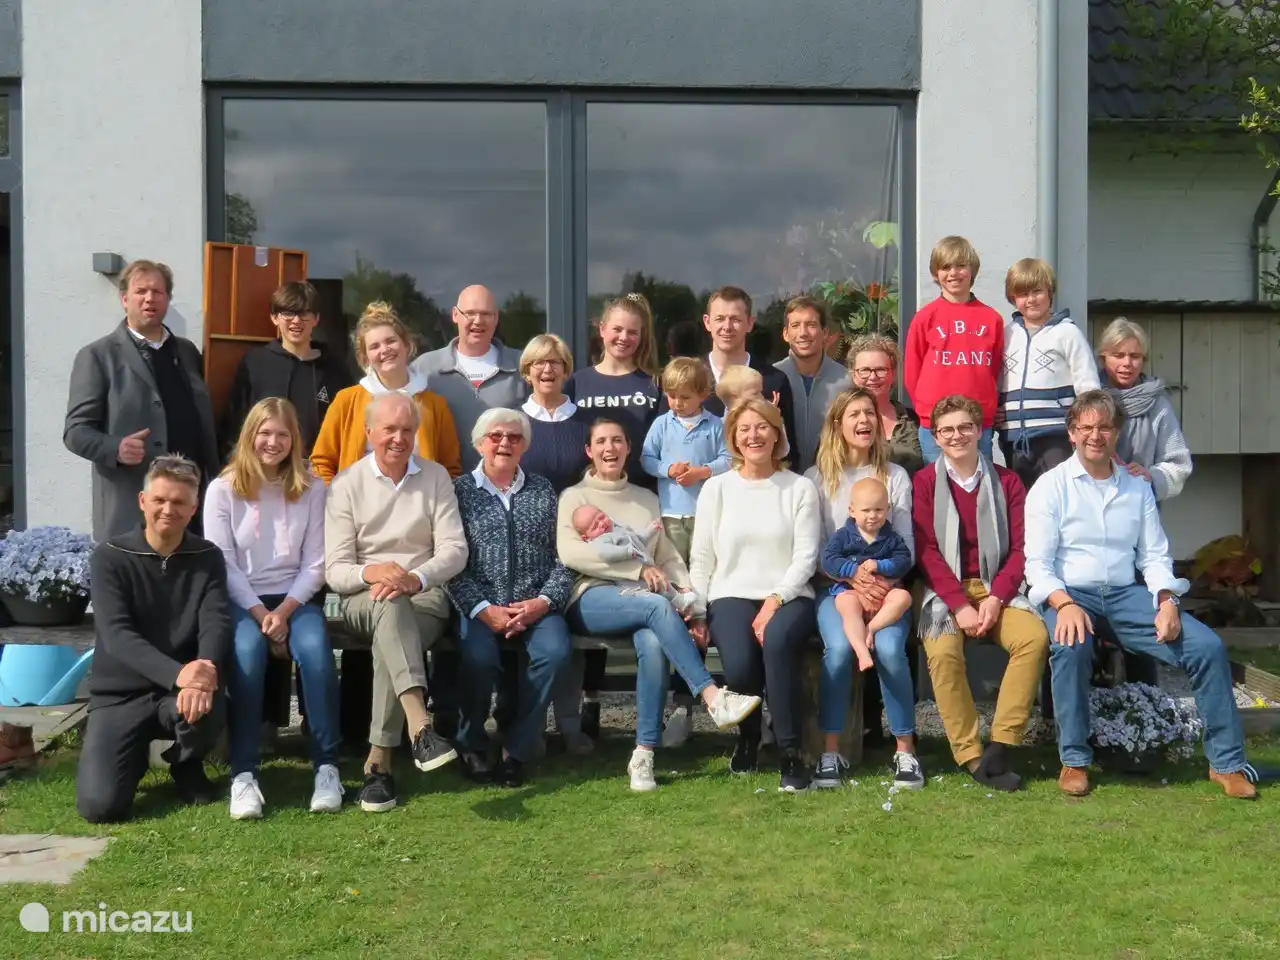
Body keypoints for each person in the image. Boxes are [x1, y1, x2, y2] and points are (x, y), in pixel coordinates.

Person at [1025, 390, 1255, 799]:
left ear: (1117, 433)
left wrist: (1167, 599)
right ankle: (1074, 760)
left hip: (1124, 595)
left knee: (1206, 646)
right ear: (1072, 433)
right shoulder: (1050, 487)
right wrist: (1063, 605)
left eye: (1105, 427)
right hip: (1069, 593)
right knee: (1071, 647)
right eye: (1086, 428)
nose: (1096, 435)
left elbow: (1154, 556)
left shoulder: (1136, 487)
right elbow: (1038, 565)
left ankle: (1227, 764)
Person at [558, 417, 764, 792]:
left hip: (645, 602)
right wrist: (638, 570)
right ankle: (712, 695)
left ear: (628, 448)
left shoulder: (646, 497)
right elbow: (571, 553)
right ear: (589, 450)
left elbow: (667, 557)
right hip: (591, 596)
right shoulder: (575, 497)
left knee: (653, 643)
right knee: (655, 606)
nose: (610, 449)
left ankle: (643, 754)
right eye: (601, 441)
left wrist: (694, 606)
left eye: (617, 440)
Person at [324, 393, 469, 813]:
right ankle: (420, 726)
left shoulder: (436, 477)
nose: (399, 438)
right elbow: (335, 570)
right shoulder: (347, 484)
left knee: (393, 631)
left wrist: (415, 577)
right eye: (389, 429)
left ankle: (378, 767)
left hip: (424, 596)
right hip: (358, 599)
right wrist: (373, 573)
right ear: (369, 432)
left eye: (407, 430)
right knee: (388, 609)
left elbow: (454, 550)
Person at [204, 398, 340, 819]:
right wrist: (262, 615)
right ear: (250, 435)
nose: (273, 442)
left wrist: (284, 612)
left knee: (317, 657)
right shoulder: (223, 489)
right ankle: (244, 776)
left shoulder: (313, 487)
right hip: (244, 602)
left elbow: (317, 561)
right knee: (246, 657)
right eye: (265, 432)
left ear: (294, 439)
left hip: (296, 598)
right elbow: (221, 561)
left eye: (283, 434)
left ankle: (327, 767)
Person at [76, 455, 231, 823]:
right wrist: (181, 674)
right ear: (143, 501)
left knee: (211, 702)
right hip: (120, 696)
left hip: (180, 694)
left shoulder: (207, 556)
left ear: (193, 508)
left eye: (179, 502)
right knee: (101, 808)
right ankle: (129, 762)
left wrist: (204, 669)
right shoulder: (110, 557)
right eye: (159, 500)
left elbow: (217, 621)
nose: (168, 510)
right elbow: (117, 635)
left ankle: (185, 763)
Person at [913, 395, 1048, 791]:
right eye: (947, 430)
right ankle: (970, 754)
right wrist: (958, 604)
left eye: (965, 427)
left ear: (979, 431)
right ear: (936, 437)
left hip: (997, 587)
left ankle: (1001, 745)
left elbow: (1023, 548)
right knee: (942, 651)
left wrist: (994, 598)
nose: (957, 436)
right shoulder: (924, 483)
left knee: (1033, 638)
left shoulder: (1007, 482)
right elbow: (927, 550)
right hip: (945, 590)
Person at [690, 398, 820, 793]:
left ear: (777, 433)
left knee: (777, 644)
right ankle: (748, 736)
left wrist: (775, 600)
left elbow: (806, 556)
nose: (754, 436)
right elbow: (701, 557)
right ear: (733, 438)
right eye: (744, 429)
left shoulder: (799, 487)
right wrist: (698, 610)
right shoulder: (717, 488)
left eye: (762, 427)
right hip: (730, 592)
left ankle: (790, 752)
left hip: (790, 595)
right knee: (742, 667)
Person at [446, 408, 576, 787]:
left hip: (535, 606)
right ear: (479, 443)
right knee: (479, 659)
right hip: (480, 606)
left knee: (555, 653)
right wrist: (483, 609)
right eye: (496, 436)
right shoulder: (458, 492)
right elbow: (450, 562)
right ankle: (470, 743)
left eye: (514, 438)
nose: (504, 443)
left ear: (525, 447)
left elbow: (565, 557)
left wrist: (544, 603)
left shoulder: (543, 490)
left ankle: (517, 748)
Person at [805, 387, 918, 790]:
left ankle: (906, 752)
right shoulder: (817, 478)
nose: (864, 421)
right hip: (836, 591)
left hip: (887, 591)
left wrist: (880, 582)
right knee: (837, 650)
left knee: (889, 649)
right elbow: (816, 548)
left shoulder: (896, 477)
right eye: (854, 414)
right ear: (837, 424)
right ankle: (830, 753)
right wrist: (853, 578)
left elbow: (907, 544)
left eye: (869, 413)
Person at [64, 260, 220, 539]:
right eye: (141, 291)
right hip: (130, 510)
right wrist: (115, 448)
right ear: (125, 299)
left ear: (168, 299)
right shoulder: (98, 356)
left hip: (189, 507)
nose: (150, 298)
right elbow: (75, 431)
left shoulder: (186, 352)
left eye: (158, 292)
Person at [565, 293, 663, 731]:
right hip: (590, 504)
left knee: (636, 596)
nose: (624, 337)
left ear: (642, 337)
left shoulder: (651, 385)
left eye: (633, 331)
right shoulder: (577, 383)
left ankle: (658, 711)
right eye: (616, 329)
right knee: (594, 588)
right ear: (601, 330)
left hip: (634, 503)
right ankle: (587, 701)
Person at [311, 302, 460, 483]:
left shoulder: (435, 405)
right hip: (358, 508)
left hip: (419, 507)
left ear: (406, 344)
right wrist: (337, 502)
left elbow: (450, 469)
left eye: (391, 341)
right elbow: (321, 462)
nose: (384, 350)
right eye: (374, 346)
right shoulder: (347, 401)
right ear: (365, 357)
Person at [219, 281, 354, 459]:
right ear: (274, 317)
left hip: (318, 474)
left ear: (316, 319)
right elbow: (236, 423)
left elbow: (349, 425)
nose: (297, 321)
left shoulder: (335, 369)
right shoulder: (255, 364)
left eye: (304, 313)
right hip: (265, 470)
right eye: (289, 313)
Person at [997, 259, 1099, 489]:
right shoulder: (1006, 335)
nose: (1031, 299)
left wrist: (1085, 431)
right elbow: (995, 381)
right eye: (1023, 294)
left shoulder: (1067, 333)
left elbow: (1088, 388)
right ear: (1013, 298)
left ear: (1050, 292)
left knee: (1057, 498)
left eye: (1037, 292)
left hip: (1056, 436)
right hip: (1013, 439)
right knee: (1023, 504)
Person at [903, 236, 1002, 464]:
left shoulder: (992, 319)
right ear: (936, 274)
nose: (953, 273)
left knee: (978, 489)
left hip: (978, 424)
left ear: (972, 270)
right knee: (938, 488)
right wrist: (924, 409)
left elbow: (993, 369)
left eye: (961, 266)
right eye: (946, 267)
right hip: (935, 425)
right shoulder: (925, 318)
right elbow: (912, 370)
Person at [412, 283, 530, 474]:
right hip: (443, 487)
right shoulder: (424, 369)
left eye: (486, 314)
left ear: (496, 318)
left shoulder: (522, 366)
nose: (478, 321)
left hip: (505, 489)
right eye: (470, 313)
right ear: (455, 315)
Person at [640, 357, 729, 563]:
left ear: (703, 395)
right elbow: (647, 458)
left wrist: (702, 472)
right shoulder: (661, 424)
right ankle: (678, 593)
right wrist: (669, 469)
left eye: (685, 397)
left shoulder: (716, 425)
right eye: (671, 396)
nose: (677, 403)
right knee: (674, 562)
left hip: (706, 510)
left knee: (703, 560)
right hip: (670, 511)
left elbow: (728, 460)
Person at [822, 477, 913, 673]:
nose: (872, 516)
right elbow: (828, 560)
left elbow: (904, 560)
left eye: (879, 510)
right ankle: (861, 649)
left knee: (903, 597)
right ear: (852, 510)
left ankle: (872, 628)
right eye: (866, 510)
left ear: (887, 509)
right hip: (851, 592)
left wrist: (880, 565)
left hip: (884, 593)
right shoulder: (842, 536)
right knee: (846, 605)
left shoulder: (891, 538)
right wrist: (852, 570)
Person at [1097, 317, 1192, 501]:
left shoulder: (1157, 405)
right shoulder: (1087, 399)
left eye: (1134, 356)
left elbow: (1179, 463)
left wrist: (1151, 477)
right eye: (1118, 355)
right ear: (1103, 358)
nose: (1127, 363)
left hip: (1140, 507)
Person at [697, 286, 797, 454]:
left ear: (750, 323)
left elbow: (788, 452)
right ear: (707, 322)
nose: (727, 326)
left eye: (735, 319)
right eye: (720, 319)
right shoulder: (689, 376)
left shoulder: (773, 380)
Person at [570, 504, 697, 614]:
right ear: (585, 537)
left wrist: (651, 530)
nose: (602, 524)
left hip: (646, 569)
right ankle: (679, 601)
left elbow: (638, 539)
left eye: (601, 517)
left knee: (662, 583)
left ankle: (677, 602)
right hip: (631, 579)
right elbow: (607, 553)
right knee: (660, 587)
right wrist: (628, 552)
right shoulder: (602, 540)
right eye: (595, 526)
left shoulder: (618, 528)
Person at [774, 295, 850, 474]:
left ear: (824, 333)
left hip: (832, 481)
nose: (803, 333)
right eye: (795, 325)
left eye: (811, 325)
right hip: (782, 483)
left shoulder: (846, 381)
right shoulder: (772, 379)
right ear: (786, 334)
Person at [517, 333, 592, 494]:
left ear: (565, 370)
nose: (548, 369)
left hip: (578, 515)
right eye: (539, 362)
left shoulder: (590, 422)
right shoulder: (512, 422)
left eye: (555, 362)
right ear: (527, 373)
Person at [846, 333, 924, 474]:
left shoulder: (915, 421)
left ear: (893, 374)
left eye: (881, 370)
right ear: (853, 375)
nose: (873, 377)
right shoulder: (840, 422)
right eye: (864, 370)